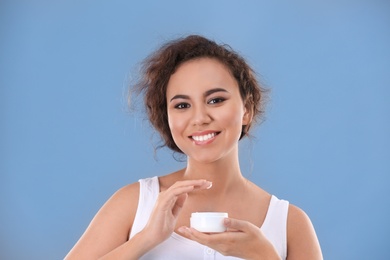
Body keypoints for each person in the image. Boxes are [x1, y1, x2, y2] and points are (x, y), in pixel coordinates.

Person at [65, 35, 323, 259]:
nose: (199, 118)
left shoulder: (290, 223)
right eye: (182, 105)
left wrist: (265, 256)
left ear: (247, 109)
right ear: (166, 117)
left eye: (215, 100)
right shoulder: (135, 203)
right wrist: (145, 239)